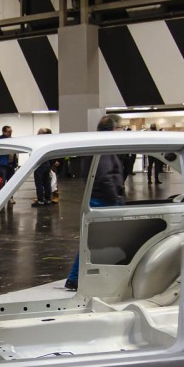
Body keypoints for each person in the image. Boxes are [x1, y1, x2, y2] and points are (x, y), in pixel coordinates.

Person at [65, 115, 127, 289]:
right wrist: (115, 199)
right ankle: (78, 277)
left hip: (99, 199)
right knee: (100, 242)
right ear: (113, 129)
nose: (123, 131)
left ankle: (76, 277)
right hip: (104, 201)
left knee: (92, 242)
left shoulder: (98, 146)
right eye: (121, 128)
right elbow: (105, 177)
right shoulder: (105, 149)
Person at [32, 127, 57, 206]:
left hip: (40, 164)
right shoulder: (50, 142)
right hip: (47, 164)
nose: (37, 133)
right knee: (47, 183)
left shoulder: (39, 142)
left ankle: (40, 201)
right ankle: (48, 199)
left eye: (39, 132)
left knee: (39, 183)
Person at [0, 126, 18, 201]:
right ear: (4, 132)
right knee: (2, 182)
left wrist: (15, 162)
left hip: (11, 164)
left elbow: (15, 152)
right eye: (9, 131)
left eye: (11, 131)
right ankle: (2, 198)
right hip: (3, 165)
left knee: (11, 182)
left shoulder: (12, 140)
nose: (10, 133)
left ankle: (10, 198)